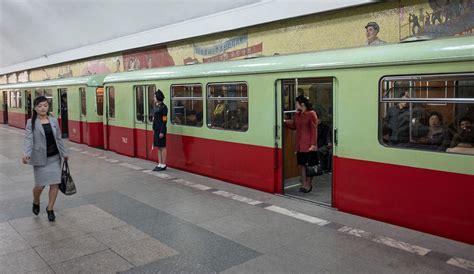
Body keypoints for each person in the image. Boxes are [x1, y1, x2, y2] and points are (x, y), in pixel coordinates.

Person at [22, 96, 68, 222]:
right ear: (35, 108)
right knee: (40, 186)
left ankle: (50, 208)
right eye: (40, 106)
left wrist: (64, 153)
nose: (43, 108)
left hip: (54, 157)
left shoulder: (53, 121)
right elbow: (28, 139)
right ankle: (36, 201)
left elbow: (58, 138)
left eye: (45, 105)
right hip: (40, 159)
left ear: (48, 107)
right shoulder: (31, 122)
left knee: (55, 184)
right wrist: (26, 153)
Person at [284, 95, 318, 193]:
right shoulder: (297, 115)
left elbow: (314, 130)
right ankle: (303, 183)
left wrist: (313, 144)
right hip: (299, 144)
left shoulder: (312, 114)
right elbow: (294, 126)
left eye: (296, 103)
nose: (295, 105)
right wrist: (284, 122)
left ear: (302, 104)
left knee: (310, 166)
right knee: (302, 165)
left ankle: (309, 184)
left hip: (309, 145)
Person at [152, 90, 168, 171]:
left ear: (158, 97)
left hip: (161, 129)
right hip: (156, 129)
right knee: (158, 147)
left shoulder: (164, 107)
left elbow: (164, 120)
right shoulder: (156, 106)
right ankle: (159, 163)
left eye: (155, 96)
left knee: (163, 147)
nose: (154, 98)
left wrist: (162, 131)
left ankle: (164, 164)